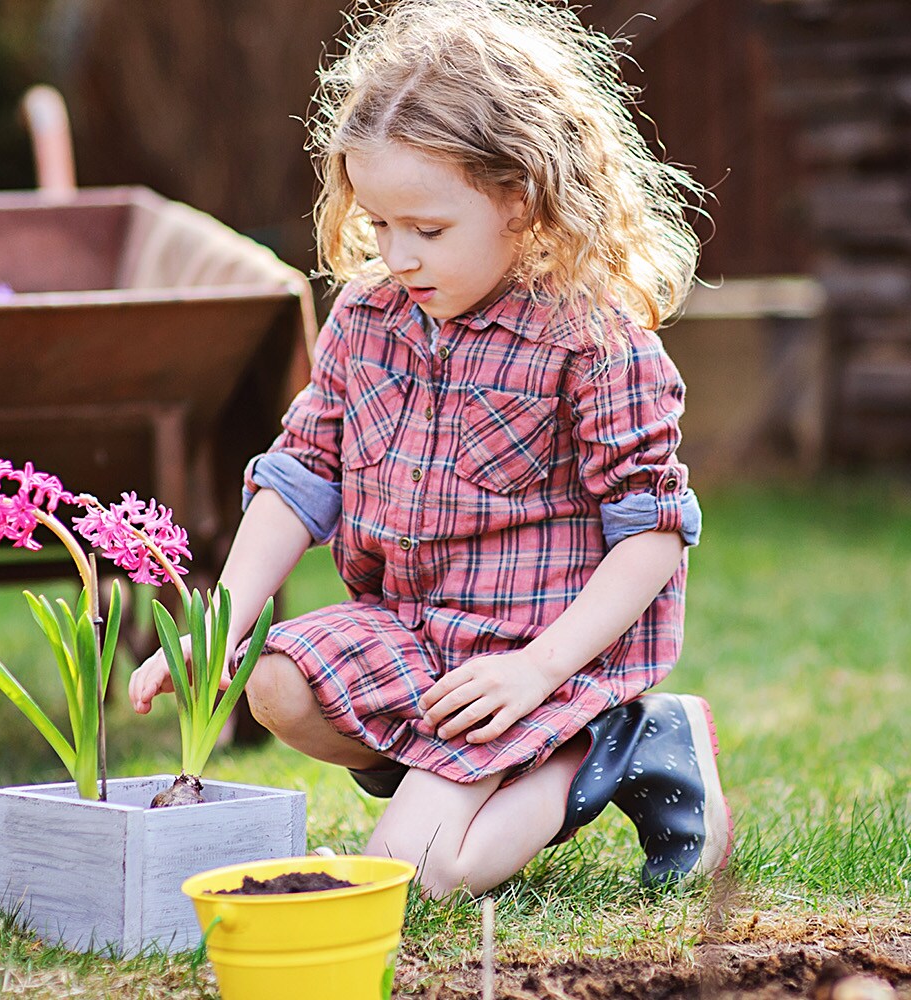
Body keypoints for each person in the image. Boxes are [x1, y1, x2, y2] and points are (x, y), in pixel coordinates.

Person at [128, 0, 731, 898]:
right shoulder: (369, 318)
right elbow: (302, 475)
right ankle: (456, 770)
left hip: (537, 649)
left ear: (521, 201)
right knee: (279, 686)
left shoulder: (591, 339)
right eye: (379, 226)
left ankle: (628, 737)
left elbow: (651, 535)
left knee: (420, 873)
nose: (398, 256)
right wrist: (223, 624)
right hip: (414, 635)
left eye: (429, 230)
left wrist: (538, 669)